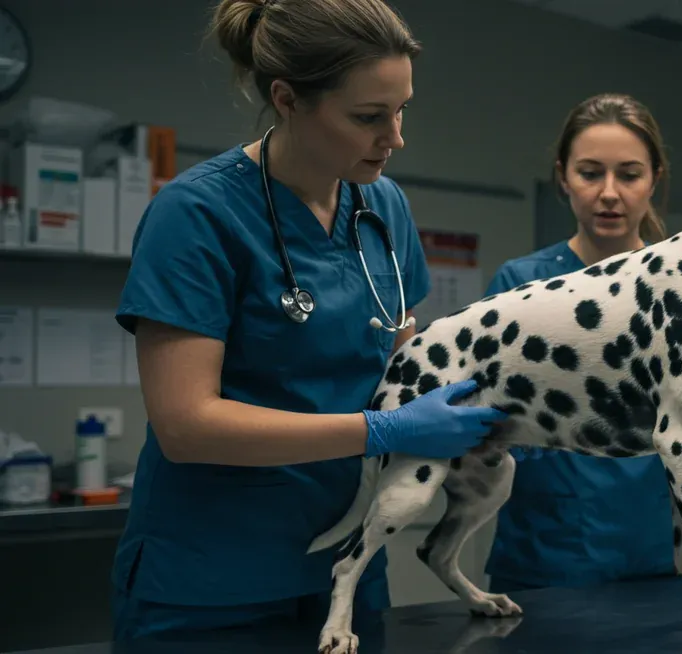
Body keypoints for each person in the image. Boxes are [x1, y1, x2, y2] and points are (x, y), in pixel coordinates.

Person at [108, 0, 506, 641]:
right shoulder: (197, 214)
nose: (395, 137)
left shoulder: (384, 206)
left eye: (402, 110)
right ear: (288, 99)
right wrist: (383, 429)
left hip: (345, 571)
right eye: (368, 117)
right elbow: (186, 425)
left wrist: (472, 413)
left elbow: (404, 353)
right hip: (213, 580)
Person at [483, 93, 682, 594]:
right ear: (563, 177)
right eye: (590, 173)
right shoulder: (522, 283)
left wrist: (671, 426)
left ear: (654, 178)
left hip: (667, 554)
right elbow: (487, 411)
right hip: (551, 553)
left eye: (629, 175)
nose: (609, 193)